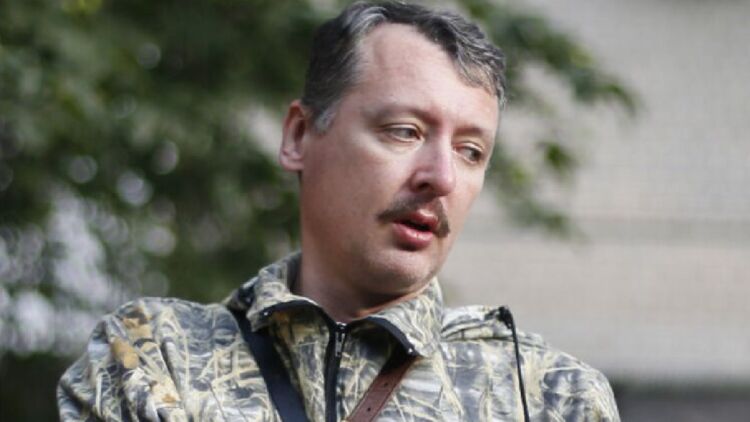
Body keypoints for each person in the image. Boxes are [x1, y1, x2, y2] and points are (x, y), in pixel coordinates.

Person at [58, 2, 620, 421]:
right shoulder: (156, 356)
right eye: (405, 131)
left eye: (470, 151)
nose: (442, 177)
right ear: (299, 136)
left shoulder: (549, 397)